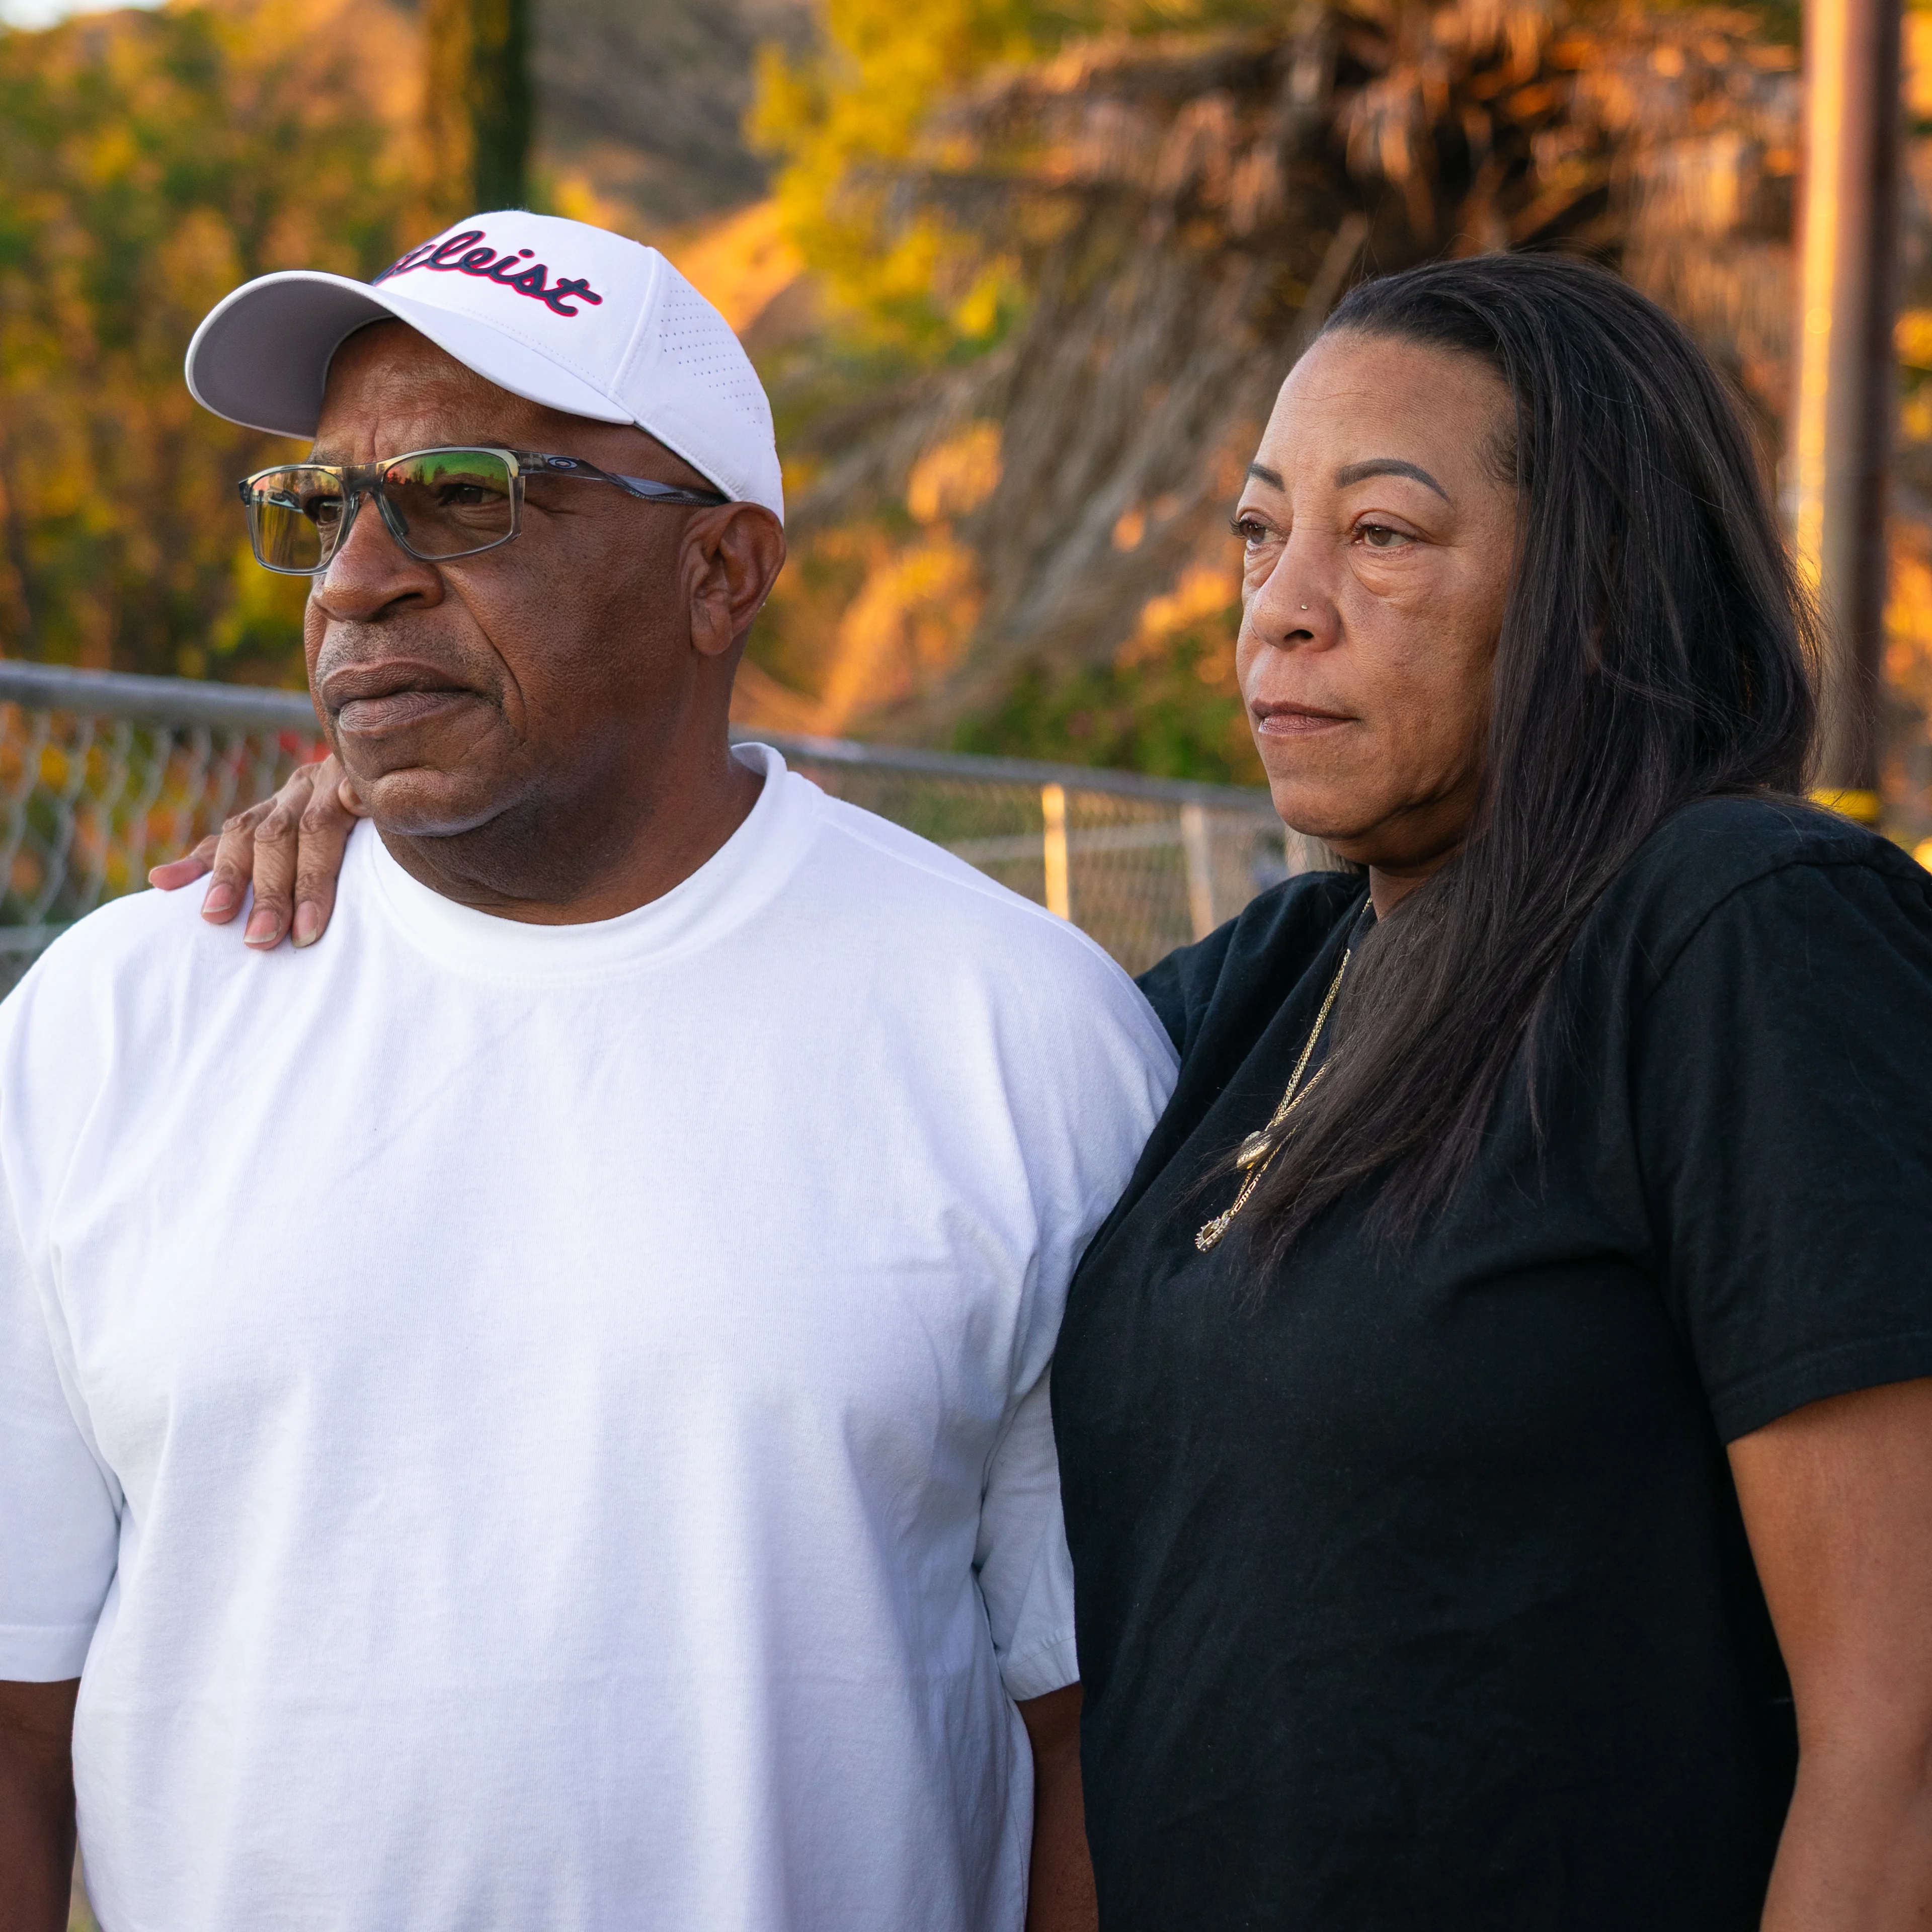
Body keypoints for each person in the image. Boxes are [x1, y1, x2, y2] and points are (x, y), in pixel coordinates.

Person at [151, 254, 1932, 1929]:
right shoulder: (1268, 990)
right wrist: (424, 814)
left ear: (1601, 588)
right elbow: (816, 1013)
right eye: (1259, 535)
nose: (1283, 612)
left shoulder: (1743, 928)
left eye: (1383, 536)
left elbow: (1902, 1729)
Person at [0, 211, 1179, 1932]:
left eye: (462, 496)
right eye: (321, 508)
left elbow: (1095, 1733)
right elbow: (16, 1718)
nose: (353, 581)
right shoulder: (106, 1028)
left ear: (722, 573)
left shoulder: (1022, 1035)